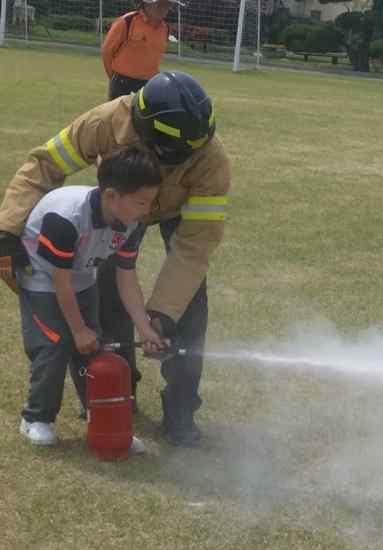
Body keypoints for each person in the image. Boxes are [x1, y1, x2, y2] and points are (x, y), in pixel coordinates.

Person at [0, 70, 231, 447]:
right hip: (120, 208)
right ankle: (115, 394)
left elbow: (194, 246)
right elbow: (45, 164)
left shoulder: (210, 157)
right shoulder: (105, 122)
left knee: (188, 308)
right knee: (106, 300)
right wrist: (8, 227)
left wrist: (162, 313)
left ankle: (181, 410)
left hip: (172, 213)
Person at [16, 148, 164, 449]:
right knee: (55, 343)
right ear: (111, 196)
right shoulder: (66, 217)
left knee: (94, 345)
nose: (146, 210)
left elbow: (126, 278)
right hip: (42, 279)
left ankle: (99, 414)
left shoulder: (133, 223)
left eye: (149, 202)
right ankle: (36, 418)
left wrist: (146, 328)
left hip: (83, 276)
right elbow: (61, 282)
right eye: (141, 202)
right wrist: (78, 329)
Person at [102, 0, 184, 100]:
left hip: (149, 85)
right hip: (122, 83)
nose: (165, 8)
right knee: (120, 115)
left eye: (168, 5)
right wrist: (114, 78)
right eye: (161, 4)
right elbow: (107, 51)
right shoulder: (127, 21)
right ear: (147, 4)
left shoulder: (165, 28)